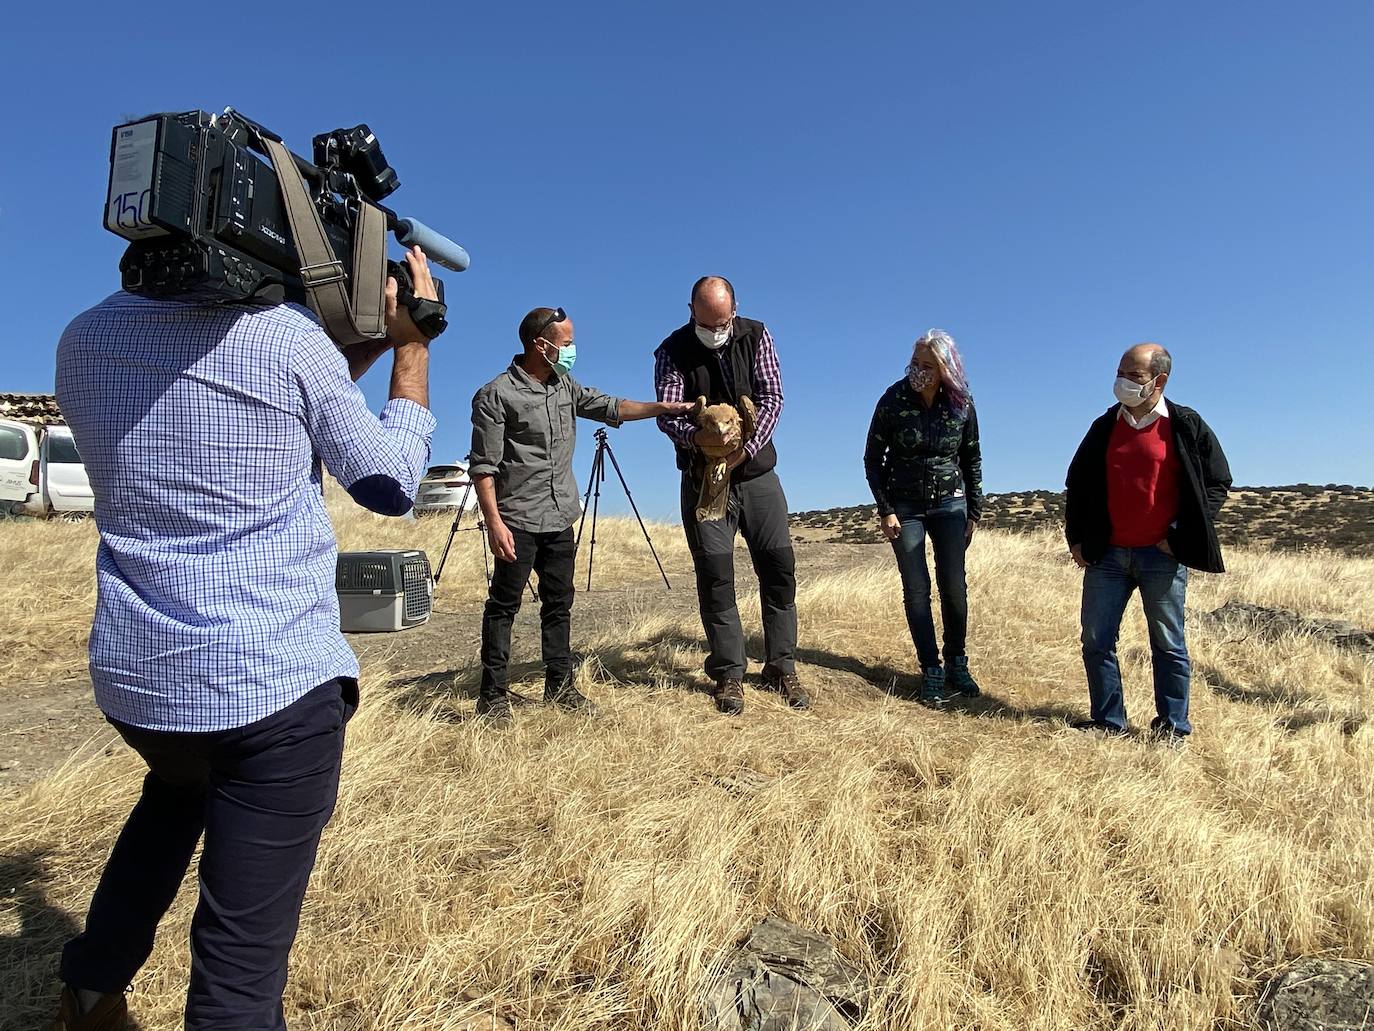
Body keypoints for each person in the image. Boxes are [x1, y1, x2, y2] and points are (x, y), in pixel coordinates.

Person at [51, 248, 442, 1030]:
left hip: (143, 682)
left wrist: (351, 353)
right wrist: (412, 343)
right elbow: (390, 483)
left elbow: (250, 404)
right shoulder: (285, 339)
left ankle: (90, 993)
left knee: (173, 798)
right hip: (269, 693)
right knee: (240, 962)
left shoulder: (82, 339)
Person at [468, 306, 693, 728]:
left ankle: (560, 685)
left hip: (560, 518)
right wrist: (495, 523)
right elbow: (483, 466)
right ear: (541, 344)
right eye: (566, 343)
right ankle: (492, 695)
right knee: (504, 607)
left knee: (559, 604)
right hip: (517, 520)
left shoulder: (565, 386)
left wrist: (663, 408)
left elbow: (611, 406)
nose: (572, 350)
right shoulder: (496, 395)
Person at [653, 276, 808, 716]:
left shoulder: (757, 335)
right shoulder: (670, 351)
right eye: (707, 323)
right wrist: (700, 441)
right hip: (704, 481)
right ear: (691, 312)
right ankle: (728, 674)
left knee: (779, 569)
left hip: (757, 474)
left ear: (734, 311)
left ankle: (782, 666)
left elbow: (772, 398)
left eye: (723, 323)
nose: (716, 331)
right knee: (716, 576)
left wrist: (745, 449)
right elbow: (668, 413)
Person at [1065, 342, 1231, 740]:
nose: (1122, 381)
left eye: (1134, 375)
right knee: (1096, 639)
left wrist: (1180, 537)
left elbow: (1217, 482)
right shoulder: (1104, 427)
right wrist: (1077, 540)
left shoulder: (1185, 424)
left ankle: (1173, 727)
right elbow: (1077, 485)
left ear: (1160, 380)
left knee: (1168, 643)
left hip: (1161, 557)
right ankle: (1109, 722)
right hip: (1107, 556)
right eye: (1120, 372)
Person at [863, 329, 984, 703]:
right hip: (905, 508)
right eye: (915, 363)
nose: (918, 371)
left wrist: (974, 510)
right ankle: (930, 667)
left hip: (951, 504)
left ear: (945, 368)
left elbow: (972, 458)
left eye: (927, 365)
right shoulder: (893, 400)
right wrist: (886, 509)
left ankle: (956, 662)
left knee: (954, 587)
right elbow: (872, 460)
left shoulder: (962, 403)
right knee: (916, 589)